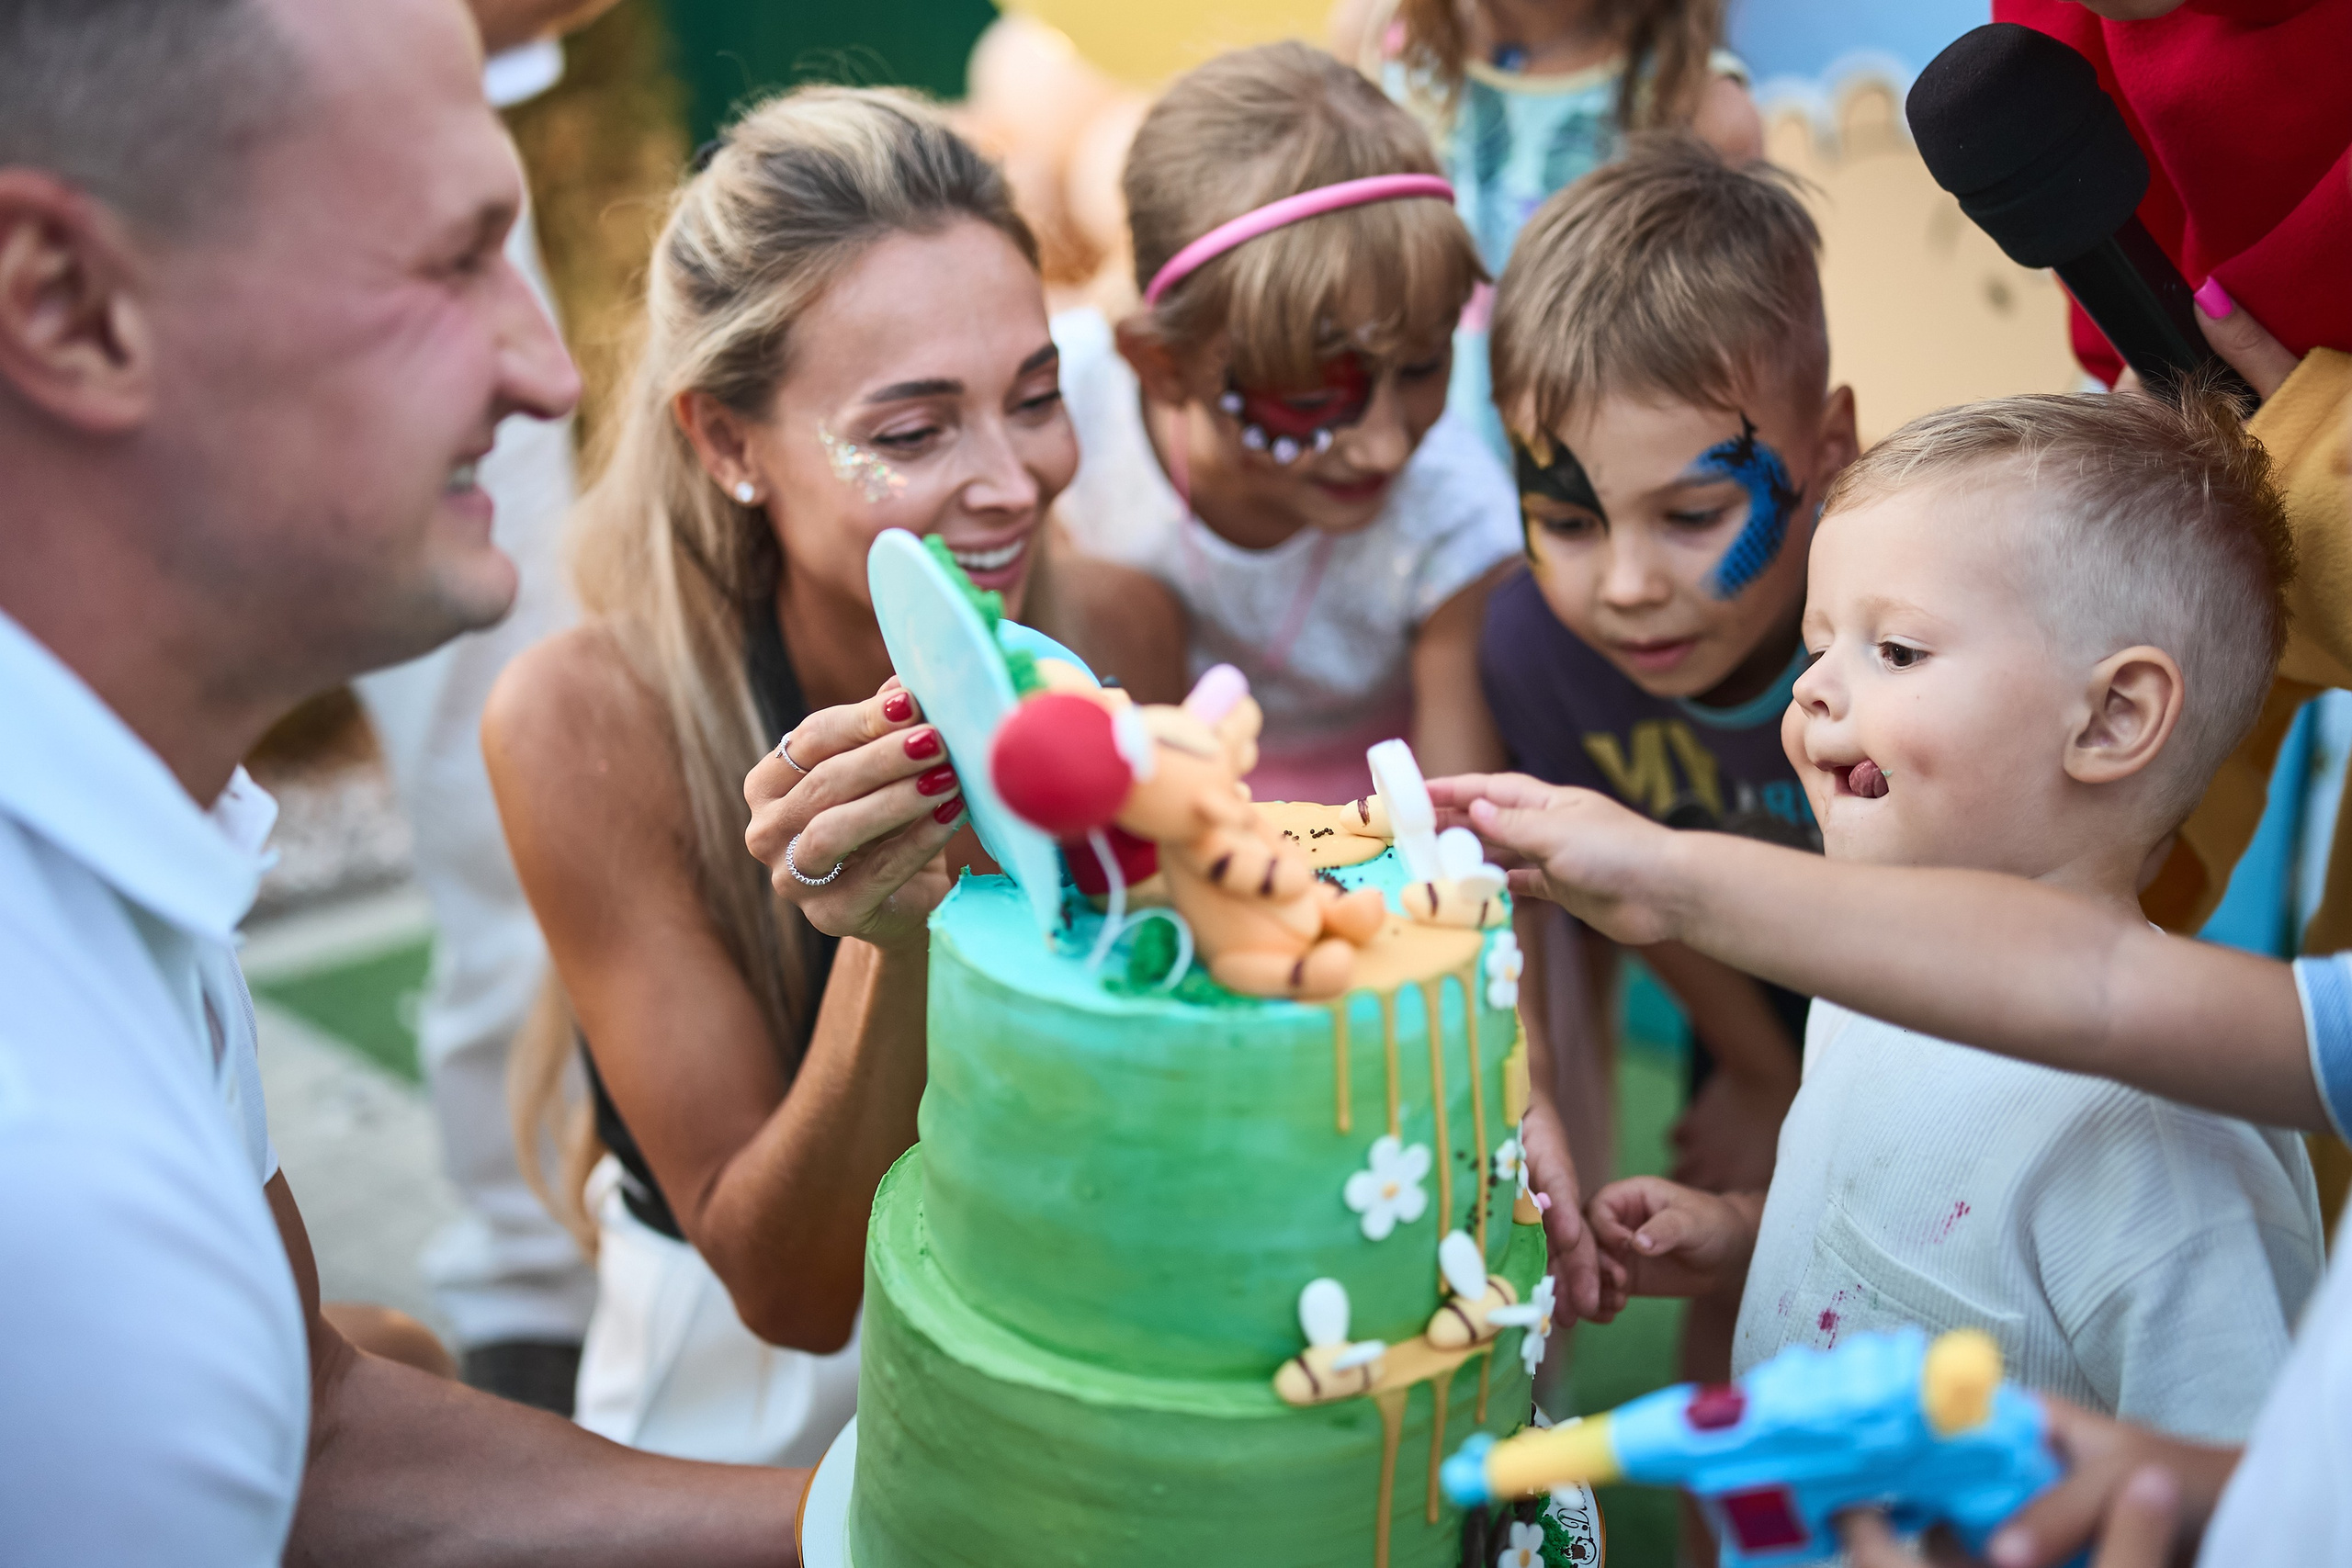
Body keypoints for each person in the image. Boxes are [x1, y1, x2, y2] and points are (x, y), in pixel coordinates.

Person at [0, 0, 805, 1560]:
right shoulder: (59, 1212)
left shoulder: (124, 842)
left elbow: (316, 1438)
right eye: (451, 262)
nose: (549, 371)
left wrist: (905, 1523)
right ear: (73, 309)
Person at [1431, 320, 2352, 1568]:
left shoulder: (2165, 1151)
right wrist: (1752, 1226)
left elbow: (2249, 1511)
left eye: (1896, 649)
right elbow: (1924, 1226)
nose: (1812, 690)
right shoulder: (1878, 969)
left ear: (2115, 716)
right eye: (1821, 642)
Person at [484, 85, 1183, 1465]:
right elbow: (789, 1290)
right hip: (746, 1412)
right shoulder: (586, 721)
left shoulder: (1124, 633)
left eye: (1036, 398)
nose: (1011, 482)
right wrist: (898, 926)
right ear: (728, 442)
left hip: (1069, 1349)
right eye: (915, 432)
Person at [1476, 138, 1860, 1393]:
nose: (1628, 587)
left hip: (1942, 1004)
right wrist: (1759, 1065)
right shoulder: (1537, 648)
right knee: (1737, 1324)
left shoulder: (1912, 616)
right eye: (1571, 521)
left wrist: (1820, 1091)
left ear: (1834, 448)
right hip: (1743, 990)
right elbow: (1629, 878)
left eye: (1696, 514)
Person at [345, 0, 624, 1416]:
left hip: (409, 101)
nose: (547, 373)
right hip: (205, 137)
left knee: (508, 751)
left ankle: (538, 1275)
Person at [1051, 41, 1521, 807]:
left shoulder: (1455, 523)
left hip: (1363, 843)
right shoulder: (1062, 401)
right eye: (1310, 398)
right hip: (1138, 810)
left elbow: (1458, 826)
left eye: (1424, 366)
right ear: (1161, 365)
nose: (1388, 444)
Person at [1334, 0, 1763, 458]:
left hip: (1587, 492)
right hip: (1407, 476)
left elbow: (1735, 379)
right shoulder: (1378, 43)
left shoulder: (1698, 112)